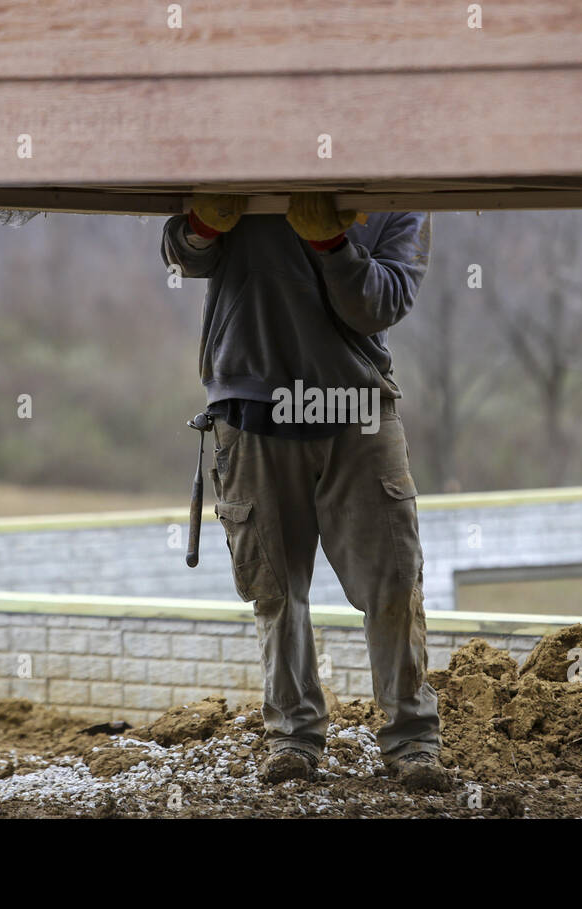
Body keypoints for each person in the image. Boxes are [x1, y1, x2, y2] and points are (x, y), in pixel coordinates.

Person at [161, 193, 449, 791]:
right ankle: (293, 737)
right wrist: (201, 225)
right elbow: (181, 255)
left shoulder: (398, 198)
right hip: (252, 408)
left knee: (393, 582)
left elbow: (380, 305)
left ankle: (413, 742)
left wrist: (331, 245)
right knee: (276, 588)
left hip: (357, 411)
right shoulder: (248, 174)